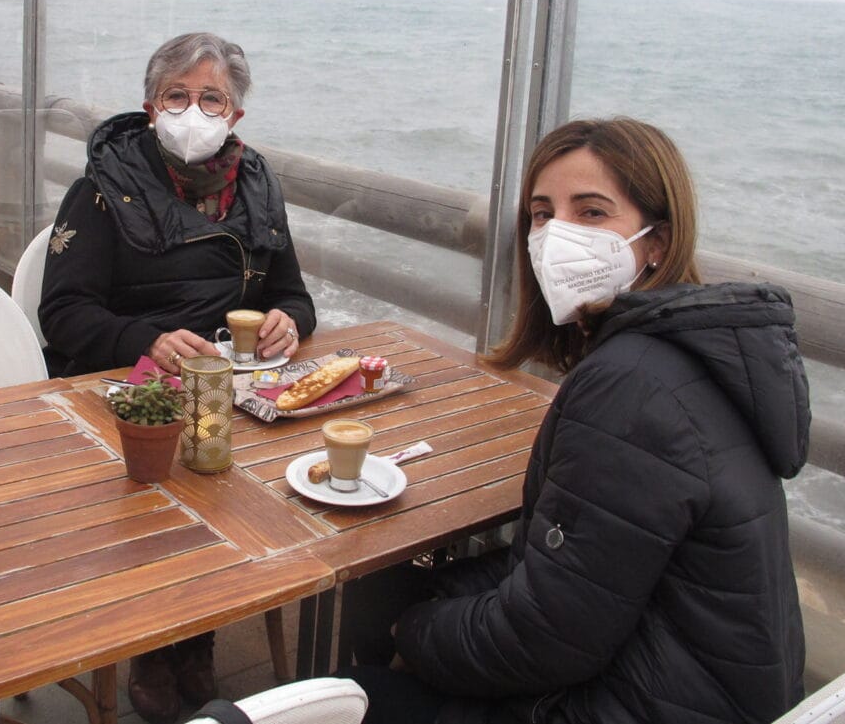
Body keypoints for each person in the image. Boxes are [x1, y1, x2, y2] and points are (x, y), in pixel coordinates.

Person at [340, 118, 809, 724]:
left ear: (657, 241)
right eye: (541, 214)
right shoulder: (691, 358)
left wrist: (414, 632)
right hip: (684, 677)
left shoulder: (632, 385)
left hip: (629, 701)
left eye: (590, 213)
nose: (555, 234)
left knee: (350, 687)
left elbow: (546, 639)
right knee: (388, 591)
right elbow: (569, 581)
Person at [39, 32, 317, 723]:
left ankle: (199, 631)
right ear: (150, 105)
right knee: (183, 466)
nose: (194, 112)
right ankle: (160, 640)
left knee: (246, 467)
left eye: (211, 98)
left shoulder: (257, 185)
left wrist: (288, 319)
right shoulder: (101, 190)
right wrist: (147, 339)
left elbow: (296, 293)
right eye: (177, 96)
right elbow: (63, 313)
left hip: (231, 384)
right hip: (128, 384)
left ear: (236, 115)